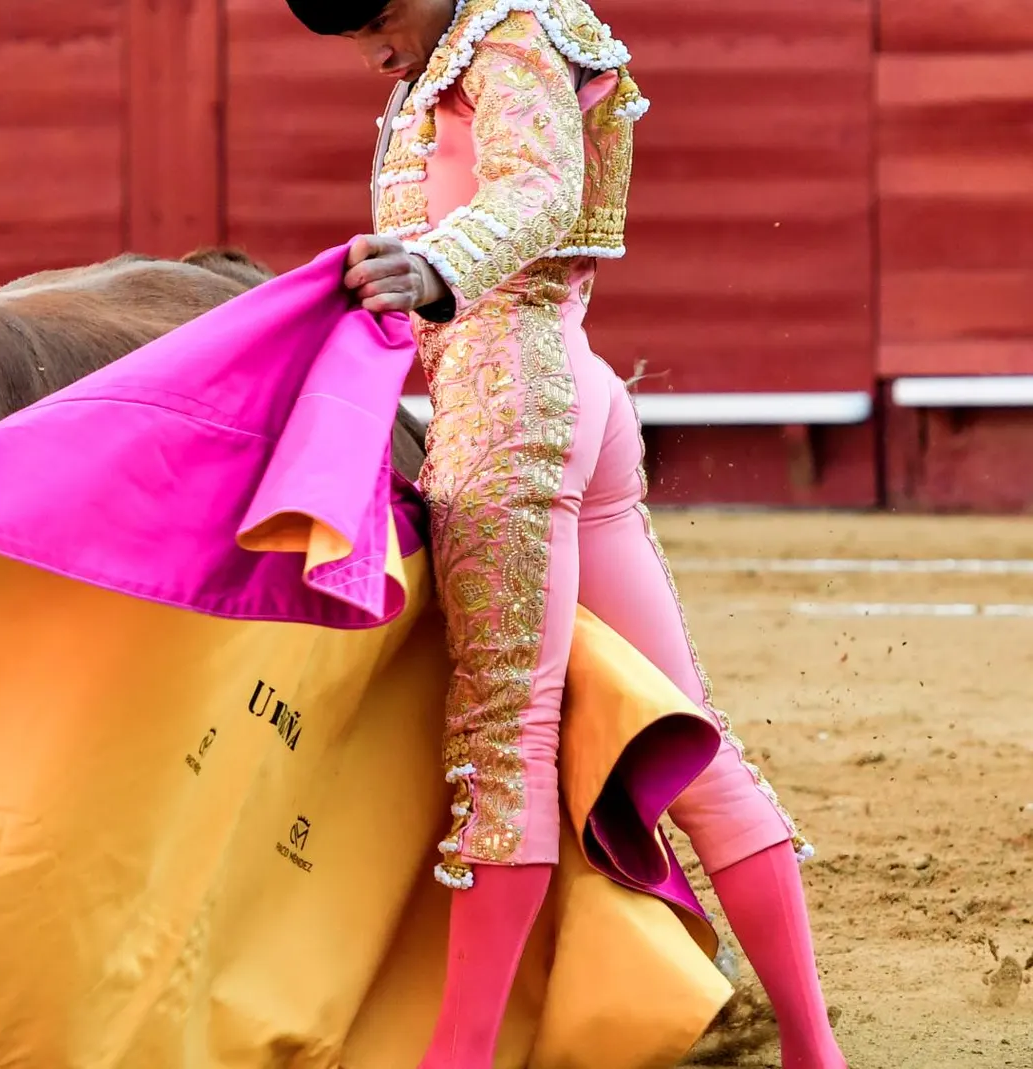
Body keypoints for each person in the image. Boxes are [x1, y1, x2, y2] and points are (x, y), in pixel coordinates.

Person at [282, 2, 849, 1067]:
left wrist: (432, 266)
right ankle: (817, 1056)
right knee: (690, 737)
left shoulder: (502, 38)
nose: (377, 55)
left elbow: (541, 191)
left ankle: (458, 1059)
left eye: (380, 23)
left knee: (504, 747)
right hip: (569, 386)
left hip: (508, 403)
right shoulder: (484, 44)